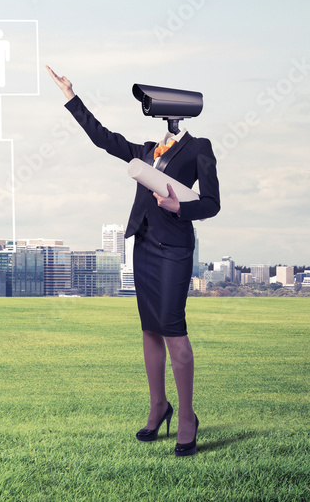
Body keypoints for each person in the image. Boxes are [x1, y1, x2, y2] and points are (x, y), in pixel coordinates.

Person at [46, 65, 220, 457]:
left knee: (174, 332)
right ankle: (159, 405)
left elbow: (212, 203)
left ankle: (188, 416)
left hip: (174, 249)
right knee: (150, 330)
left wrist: (179, 207)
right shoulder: (145, 150)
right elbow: (103, 139)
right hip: (143, 245)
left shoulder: (200, 148)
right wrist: (71, 97)